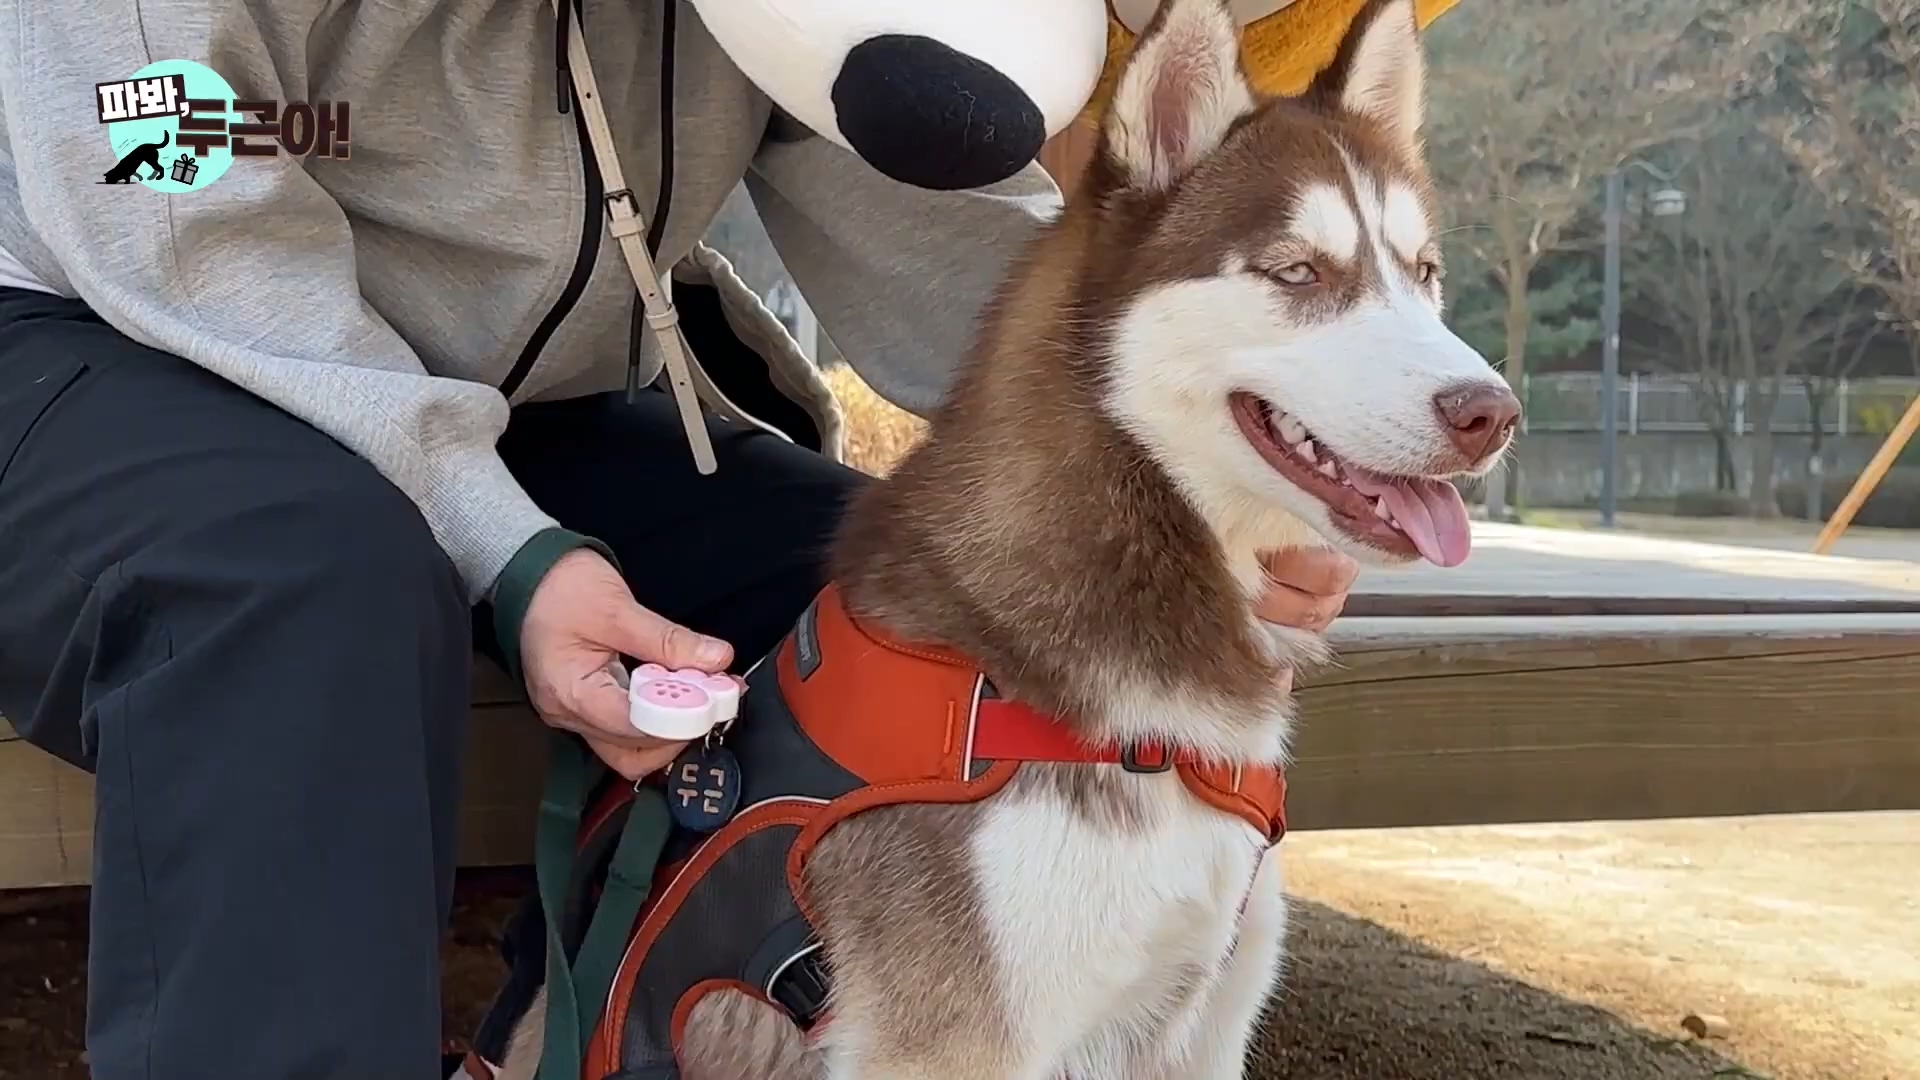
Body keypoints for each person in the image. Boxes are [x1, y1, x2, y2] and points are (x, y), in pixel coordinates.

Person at [0, 2, 1360, 1077]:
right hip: (111, 337)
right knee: (308, 585)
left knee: (872, 589)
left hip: (522, 393)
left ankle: (565, 1049)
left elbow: (951, 250)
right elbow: (171, 205)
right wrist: (503, 546)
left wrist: (1198, 473)